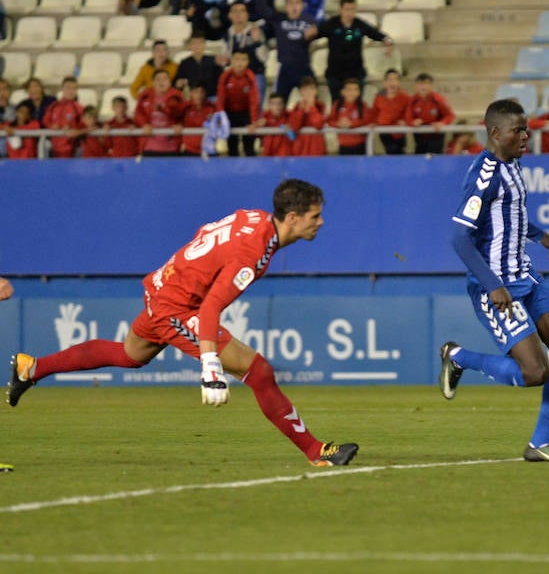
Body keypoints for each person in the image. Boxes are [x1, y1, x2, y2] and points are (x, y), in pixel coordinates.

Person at [8, 179, 359, 468]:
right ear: (294, 217)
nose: (321, 222)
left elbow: (205, 232)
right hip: (177, 305)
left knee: (131, 355)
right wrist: (210, 367)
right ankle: (316, 452)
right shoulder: (252, 253)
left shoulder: (254, 218)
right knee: (260, 372)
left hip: (165, 285)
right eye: (315, 216)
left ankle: (32, 368)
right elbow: (210, 309)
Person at [439, 99, 549, 463]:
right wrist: (492, 285)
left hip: (525, 275)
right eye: (518, 130)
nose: (526, 135)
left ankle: (539, 445)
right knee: (535, 372)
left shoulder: (514, 166)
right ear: (495, 133)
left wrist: (540, 236)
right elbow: (459, 237)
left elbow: (510, 215)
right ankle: (458, 357)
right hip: (497, 286)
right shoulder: (483, 174)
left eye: (526, 128)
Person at [315, 0, 393, 102]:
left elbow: (375, 33)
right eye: (347, 9)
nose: (349, 13)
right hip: (335, 73)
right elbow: (315, 34)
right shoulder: (331, 24)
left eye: (352, 9)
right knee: (337, 105)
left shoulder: (359, 24)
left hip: (355, 72)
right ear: (341, 9)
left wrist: (387, 41)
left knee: (356, 105)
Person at [254, 0, 318, 99]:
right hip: (285, 68)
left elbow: (322, 32)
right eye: (290, 3)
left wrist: (315, 33)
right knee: (278, 101)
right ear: (286, 5)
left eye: (297, 3)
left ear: (302, 5)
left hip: (304, 67)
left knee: (313, 101)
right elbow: (261, 9)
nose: (294, 6)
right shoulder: (279, 18)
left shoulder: (310, 20)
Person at [219, 1, 269, 104]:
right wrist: (223, 60)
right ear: (230, 15)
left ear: (247, 15)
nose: (238, 14)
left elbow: (264, 58)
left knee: (256, 104)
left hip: (255, 74)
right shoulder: (228, 34)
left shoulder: (255, 31)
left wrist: (257, 42)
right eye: (235, 11)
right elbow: (226, 58)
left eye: (242, 11)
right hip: (236, 77)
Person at [216, 49, 260, 157]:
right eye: (237, 59)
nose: (240, 63)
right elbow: (220, 99)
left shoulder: (250, 77)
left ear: (248, 62)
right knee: (232, 147)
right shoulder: (225, 76)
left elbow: (254, 100)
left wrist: (253, 121)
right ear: (231, 61)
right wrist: (221, 117)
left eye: (243, 59)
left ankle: (251, 170)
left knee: (249, 148)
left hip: (246, 113)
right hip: (230, 114)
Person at [134, 69, 187, 157]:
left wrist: (179, 124)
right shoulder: (145, 95)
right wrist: (144, 124)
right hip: (150, 146)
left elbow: (181, 113)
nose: (161, 82)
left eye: (165, 79)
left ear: (170, 82)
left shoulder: (177, 96)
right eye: (158, 79)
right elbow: (138, 113)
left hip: (172, 146)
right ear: (153, 82)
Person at [405, 73, 455, 155]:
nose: (423, 87)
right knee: (420, 160)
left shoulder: (438, 99)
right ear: (416, 86)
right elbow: (407, 118)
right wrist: (413, 122)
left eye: (426, 83)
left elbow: (450, 115)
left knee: (436, 160)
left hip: (436, 135)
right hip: (420, 137)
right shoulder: (412, 101)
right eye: (421, 84)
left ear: (431, 86)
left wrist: (442, 123)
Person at [41, 76, 84, 158]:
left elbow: (84, 125)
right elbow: (45, 120)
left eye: (74, 88)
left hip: (72, 151)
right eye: (68, 88)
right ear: (62, 89)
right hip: (54, 150)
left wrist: (73, 128)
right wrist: (51, 126)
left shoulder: (79, 108)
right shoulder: (53, 106)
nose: (71, 91)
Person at [328, 78, 371, 155]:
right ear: (343, 92)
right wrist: (338, 124)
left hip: (360, 145)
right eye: (349, 90)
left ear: (359, 92)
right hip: (343, 145)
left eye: (355, 89)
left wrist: (352, 124)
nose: (352, 93)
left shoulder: (362, 105)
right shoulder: (337, 105)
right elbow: (330, 121)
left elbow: (367, 120)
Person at [371, 68, 410, 155]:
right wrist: (373, 122)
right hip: (384, 132)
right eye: (390, 79)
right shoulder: (378, 97)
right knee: (391, 151)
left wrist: (405, 121)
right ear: (385, 83)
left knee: (399, 154)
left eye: (396, 79)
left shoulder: (405, 97)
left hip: (399, 132)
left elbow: (409, 114)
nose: (393, 82)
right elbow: (374, 113)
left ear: (399, 82)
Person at [175, 33, 224, 100]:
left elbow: (222, 80)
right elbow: (177, 82)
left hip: (212, 96)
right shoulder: (184, 63)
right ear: (190, 45)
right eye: (194, 43)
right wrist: (180, 83)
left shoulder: (214, 60)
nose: (197, 46)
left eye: (200, 43)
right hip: (193, 98)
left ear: (204, 44)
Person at [289, 76, 327, 156]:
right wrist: (301, 111)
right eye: (305, 89)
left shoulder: (320, 106)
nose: (308, 92)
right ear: (300, 91)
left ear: (316, 91)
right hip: (300, 150)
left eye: (311, 88)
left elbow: (318, 125)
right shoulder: (296, 108)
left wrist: (312, 108)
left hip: (317, 150)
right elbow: (295, 127)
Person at [181, 84, 216, 156]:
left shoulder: (212, 108)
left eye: (201, 92)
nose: (199, 95)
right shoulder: (185, 108)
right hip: (189, 151)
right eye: (196, 92)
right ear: (191, 93)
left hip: (209, 151)